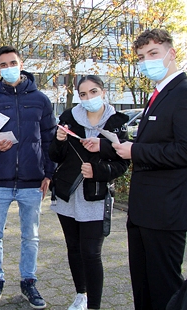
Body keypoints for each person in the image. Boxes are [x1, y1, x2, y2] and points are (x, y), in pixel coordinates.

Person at [112, 29, 187, 310]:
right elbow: (158, 143)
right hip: (143, 210)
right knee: (143, 284)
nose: (146, 61)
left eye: (153, 53)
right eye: (141, 57)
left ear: (171, 54)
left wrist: (135, 150)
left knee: (164, 289)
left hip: (166, 210)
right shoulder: (159, 94)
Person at [0, 46, 56, 310]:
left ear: (21, 64)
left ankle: (28, 281)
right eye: (3, 64)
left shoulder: (41, 100)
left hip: (32, 181)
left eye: (13, 62)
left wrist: (49, 173)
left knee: (31, 236)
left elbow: (49, 140)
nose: (9, 67)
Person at [48, 75, 130, 310]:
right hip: (68, 195)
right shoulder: (68, 118)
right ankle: (80, 295)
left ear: (103, 92)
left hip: (95, 196)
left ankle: (94, 305)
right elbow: (55, 156)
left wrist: (98, 171)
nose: (88, 98)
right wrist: (59, 140)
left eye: (93, 92)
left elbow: (122, 164)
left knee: (91, 253)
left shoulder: (117, 122)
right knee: (73, 248)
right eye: (83, 94)